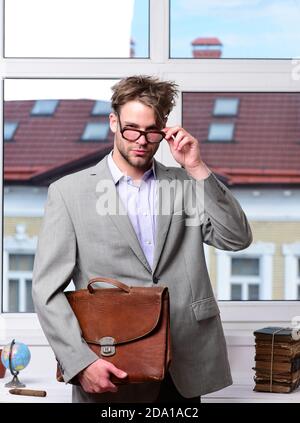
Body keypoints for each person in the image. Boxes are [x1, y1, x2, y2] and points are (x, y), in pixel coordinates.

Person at [32, 75, 252, 403]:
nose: (141, 140)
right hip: (108, 365)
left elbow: (236, 238)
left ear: (163, 129)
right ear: (113, 122)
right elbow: (46, 290)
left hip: (182, 367)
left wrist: (196, 167)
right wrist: (81, 362)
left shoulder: (185, 184)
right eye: (131, 128)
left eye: (151, 131)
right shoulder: (69, 193)